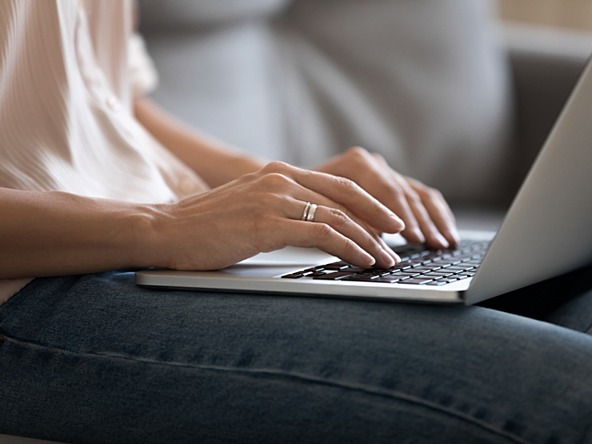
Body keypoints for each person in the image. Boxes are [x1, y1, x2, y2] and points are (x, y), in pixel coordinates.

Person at [0, 2, 591, 443]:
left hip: (148, 239)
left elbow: (108, 99)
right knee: (572, 392)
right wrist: (163, 226)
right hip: (36, 282)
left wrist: (280, 182)